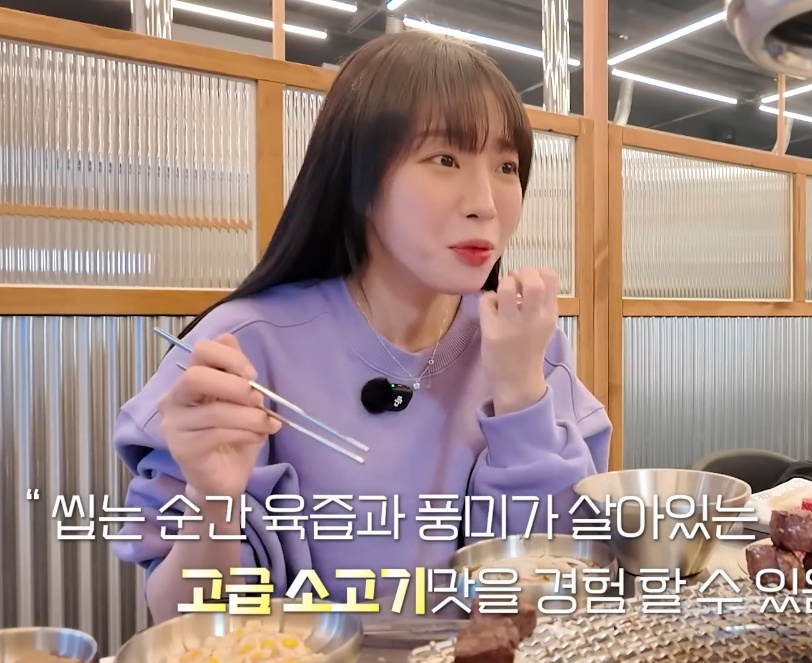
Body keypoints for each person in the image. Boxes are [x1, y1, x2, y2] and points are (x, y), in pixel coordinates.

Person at [111, 29, 612, 624]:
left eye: (506, 166)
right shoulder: (243, 348)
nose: (486, 202)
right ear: (361, 180)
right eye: (445, 159)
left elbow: (562, 589)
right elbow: (181, 619)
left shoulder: (525, 342)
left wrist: (522, 392)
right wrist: (213, 502)